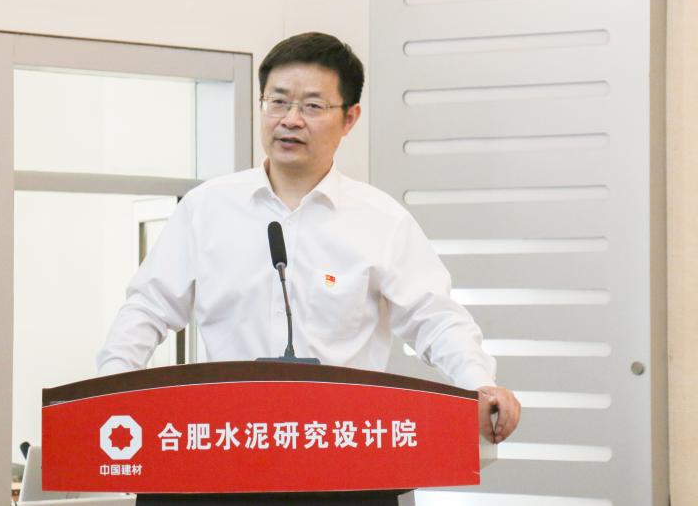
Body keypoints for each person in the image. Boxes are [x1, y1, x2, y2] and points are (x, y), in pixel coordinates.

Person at [97, 32, 520, 443]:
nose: (290, 120)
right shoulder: (206, 208)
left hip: (343, 447)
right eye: (278, 101)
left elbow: (435, 319)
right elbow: (148, 308)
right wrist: (105, 391)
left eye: (313, 106)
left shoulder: (381, 220)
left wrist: (478, 383)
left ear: (349, 118)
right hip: (229, 442)